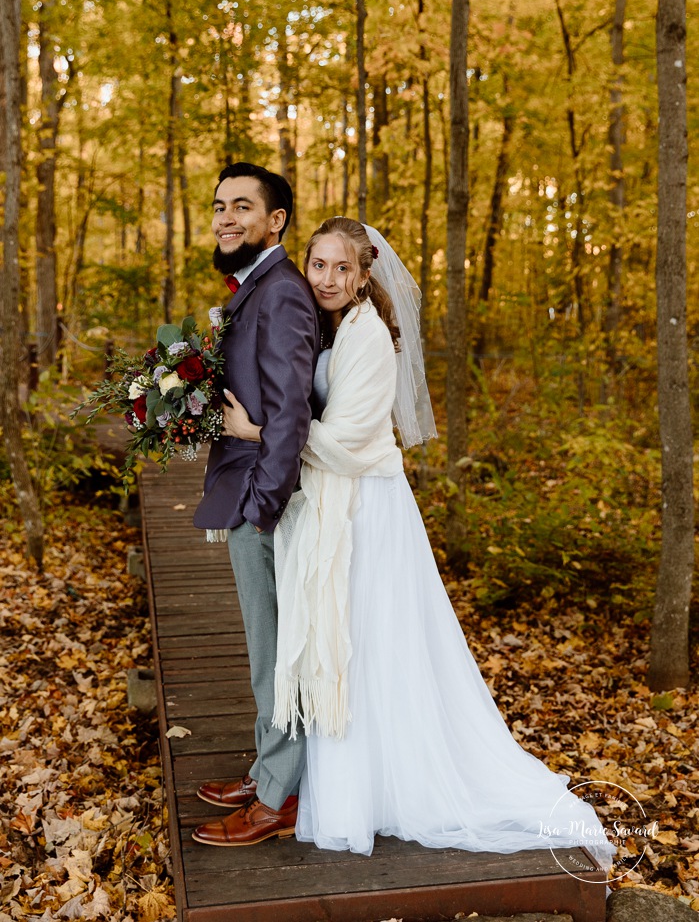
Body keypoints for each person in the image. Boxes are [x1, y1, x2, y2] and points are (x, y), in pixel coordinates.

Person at [199, 215, 614, 871]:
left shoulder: (368, 338)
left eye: (343, 268)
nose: (329, 279)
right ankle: (280, 776)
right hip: (327, 505)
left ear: (365, 275)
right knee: (323, 641)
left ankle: (323, 791)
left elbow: (343, 442)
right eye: (319, 265)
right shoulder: (322, 323)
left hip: (366, 512)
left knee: (354, 648)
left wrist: (256, 434)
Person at [191, 162, 319, 847]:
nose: (225, 217)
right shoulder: (254, 290)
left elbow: (291, 411)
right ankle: (265, 765)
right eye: (219, 206)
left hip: (269, 499)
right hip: (252, 489)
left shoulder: (282, 294)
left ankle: (279, 797)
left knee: (278, 652)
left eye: (242, 206)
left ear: (275, 222)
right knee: (264, 649)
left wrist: (262, 508)